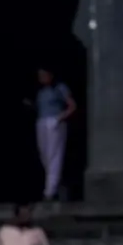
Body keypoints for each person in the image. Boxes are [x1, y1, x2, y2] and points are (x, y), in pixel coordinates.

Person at [34, 67, 77, 201]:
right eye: (40, 75)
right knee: (44, 155)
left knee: (54, 154)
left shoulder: (59, 88)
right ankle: (56, 184)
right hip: (42, 122)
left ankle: (50, 190)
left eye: (44, 75)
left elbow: (72, 106)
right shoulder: (41, 92)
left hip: (54, 121)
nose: (42, 78)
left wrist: (59, 118)